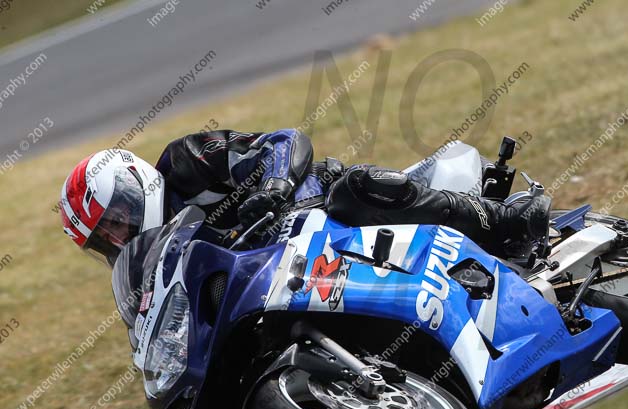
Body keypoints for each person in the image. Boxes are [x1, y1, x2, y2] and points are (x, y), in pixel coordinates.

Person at [59, 128, 550, 266]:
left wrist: (274, 187)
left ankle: (502, 220)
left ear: (133, 187)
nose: (119, 238)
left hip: (318, 208)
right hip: (288, 273)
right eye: (106, 240)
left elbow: (283, 141)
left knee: (352, 194)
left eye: (115, 222)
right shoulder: (153, 263)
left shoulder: (186, 161)